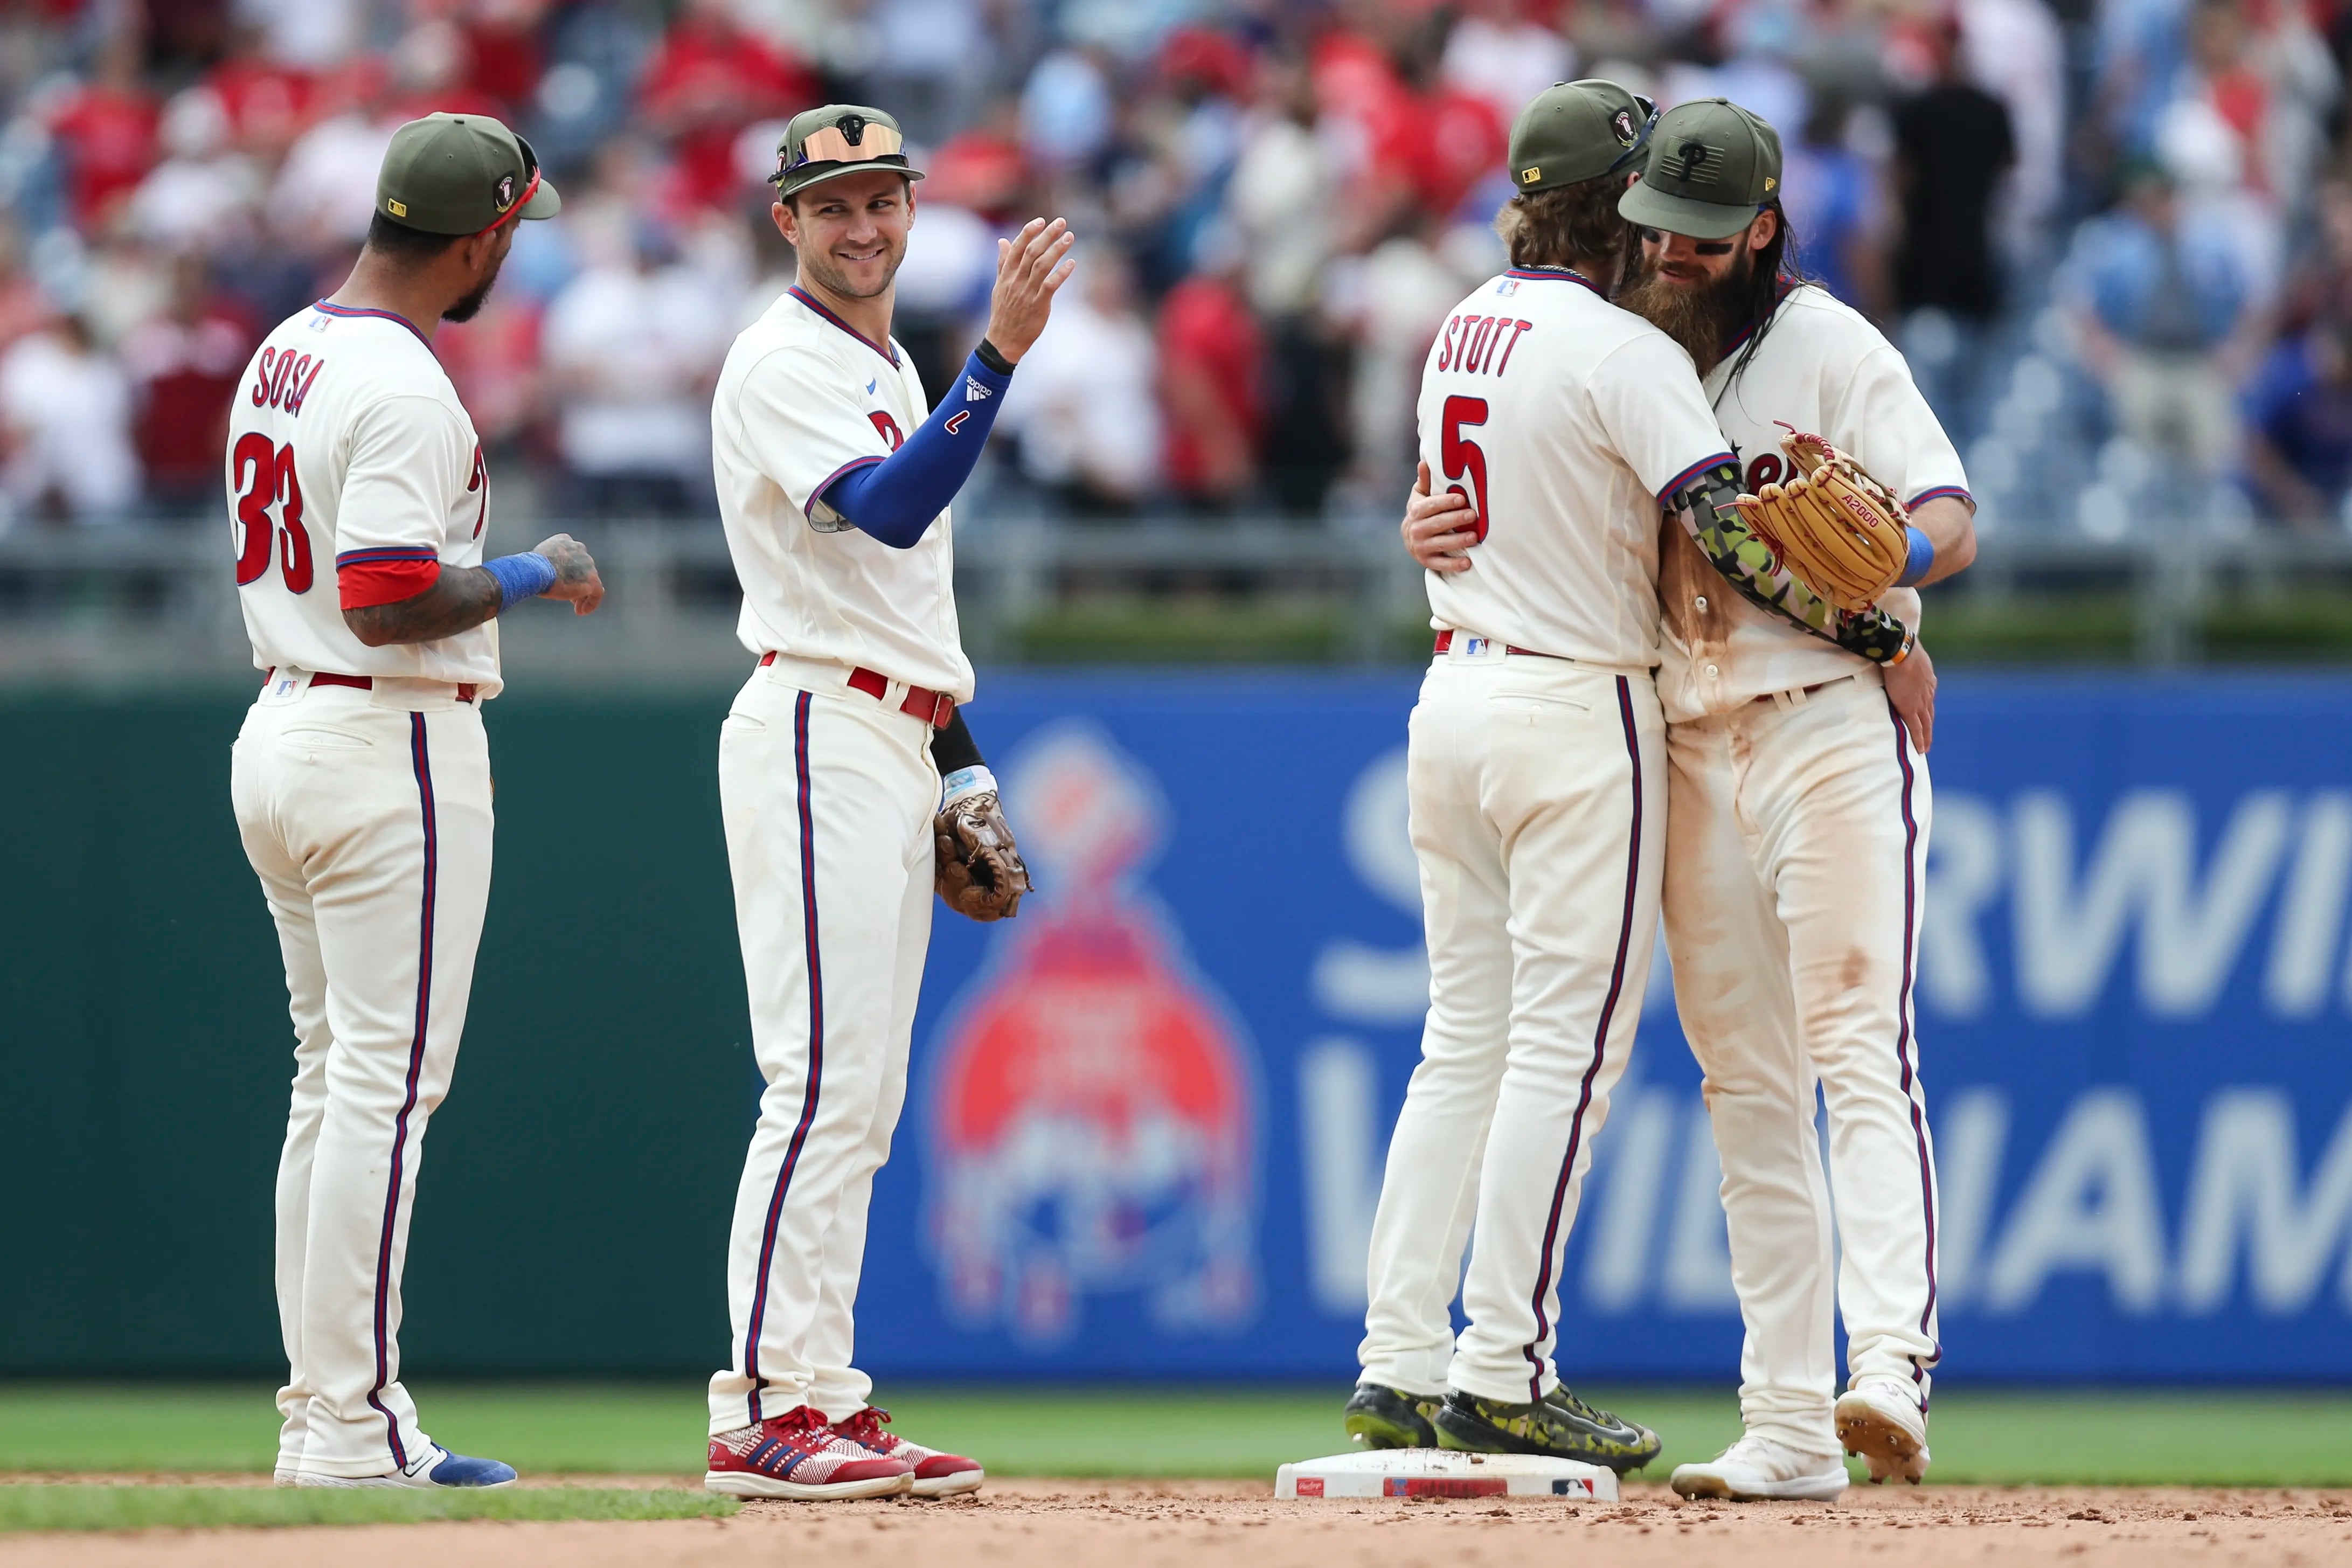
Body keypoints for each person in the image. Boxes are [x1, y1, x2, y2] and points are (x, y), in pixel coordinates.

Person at [1345, 80, 1919, 1473]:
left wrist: (1424, 532)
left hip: (1449, 689)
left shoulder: (1455, 327)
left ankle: (1394, 1358)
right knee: (1560, 1046)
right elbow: (1723, 533)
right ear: (1612, 205)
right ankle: (1501, 1364)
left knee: (1454, 1045)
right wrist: (1869, 628)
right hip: (1571, 702)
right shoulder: (1619, 350)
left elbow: (1456, 497)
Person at [227, 113, 601, 1488]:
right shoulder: (400, 384)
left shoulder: (288, 344)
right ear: (482, 233)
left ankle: (319, 1418)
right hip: (382, 740)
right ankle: (356, 1429)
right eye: (515, 228)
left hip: (281, 722)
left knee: (332, 1084)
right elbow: (388, 601)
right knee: (380, 1088)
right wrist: (532, 570)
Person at [703, 105, 1064, 1502]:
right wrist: (1000, 358)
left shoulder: (885, 356)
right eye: (832, 202)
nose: (862, 224)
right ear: (783, 220)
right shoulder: (780, 356)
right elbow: (891, 512)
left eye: (881, 198)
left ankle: (824, 1391)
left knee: (861, 1088)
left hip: (890, 725)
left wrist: (961, 764)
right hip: (812, 719)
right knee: (814, 1080)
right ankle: (757, 1407)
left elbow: (902, 598)